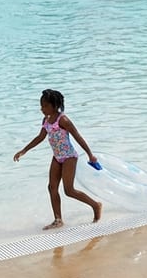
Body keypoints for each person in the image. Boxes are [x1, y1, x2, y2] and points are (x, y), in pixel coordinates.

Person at [13, 89, 103, 230]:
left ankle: (95, 205)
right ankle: (58, 220)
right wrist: (24, 150)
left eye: (45, 106)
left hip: (69, 157)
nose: (41, 109)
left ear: (54, 106)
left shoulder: (63, 120)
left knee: (69, 190)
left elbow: (77, 136)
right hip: (57, 157)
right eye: (41, 105)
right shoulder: (46, 120)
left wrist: (90, 154)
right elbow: (40, 137)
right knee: (52, 187)